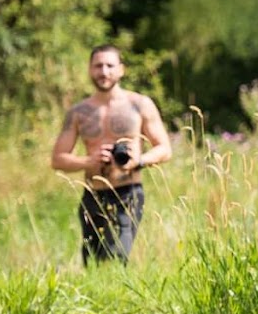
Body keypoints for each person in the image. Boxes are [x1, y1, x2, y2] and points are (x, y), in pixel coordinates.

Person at [51, 44, 172, 266]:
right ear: (89, 70)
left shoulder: (139, 104)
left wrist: (139, 161)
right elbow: (58, 159)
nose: (104, 72)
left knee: (117, 256)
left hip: (128, 193)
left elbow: (164, 148)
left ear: (121, 70)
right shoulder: (79, 112)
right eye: (98, 66)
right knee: (92, 263)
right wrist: (89, 160)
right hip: (93, 195)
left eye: (110, 65)